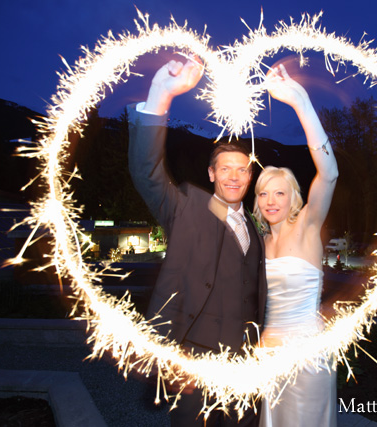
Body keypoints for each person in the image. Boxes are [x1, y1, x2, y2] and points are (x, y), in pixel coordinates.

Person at [128, 58, 267, 427]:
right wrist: (161, 95)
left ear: (250, 175)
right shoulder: (187, 208)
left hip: (244, 368)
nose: (234, 177)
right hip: (193, 364)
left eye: (242, 169)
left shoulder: (257, 228)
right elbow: (147, 172)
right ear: (211, 173)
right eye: (225, 169)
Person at [253, 64, 339, 427]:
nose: (271, 201)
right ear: (255, 201)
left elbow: (329, 172)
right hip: (267, 355)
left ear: (293, 198)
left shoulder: (307, 226)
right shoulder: (259, 242)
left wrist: (299, 102)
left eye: (279, 193)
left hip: (307, 355)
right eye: (263, 193)